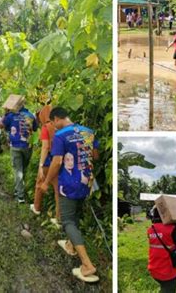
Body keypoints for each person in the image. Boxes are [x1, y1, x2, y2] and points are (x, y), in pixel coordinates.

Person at [41, 107, 100, 283]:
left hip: (68, 184)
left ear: (57, 118)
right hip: (86, 181)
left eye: (52, 122)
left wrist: (45, 182)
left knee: (67, 221)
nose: (53, 126)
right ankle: (70, 245)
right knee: (75, 215)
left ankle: (87, 265)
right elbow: (95, 156)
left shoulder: (60, 136)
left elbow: (57, 161)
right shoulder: (88, 132)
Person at [0, 104, 37, 203]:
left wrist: (5, 114)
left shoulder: (11, 115)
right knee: (23, 169)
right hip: (27, 146)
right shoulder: (30, 115)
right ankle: (18, 190)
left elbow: (0, 125)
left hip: (15, 146)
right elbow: (35, 129)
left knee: (18, 170)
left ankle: (20, 196)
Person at [30, 105, 60, 227]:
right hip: (59, 161)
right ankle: (59, 219)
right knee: (58, 191)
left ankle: (37, 207)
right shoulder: (60, 126)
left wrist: (41, 165)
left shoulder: (46, 127)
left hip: (48, 161)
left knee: (39, 183)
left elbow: (45, 147)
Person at [148, 207, 176, 293]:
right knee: (169, 289)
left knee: (164, 287)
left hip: (153, 269)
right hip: (167, 273)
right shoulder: (171, 229)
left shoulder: (150, 229)